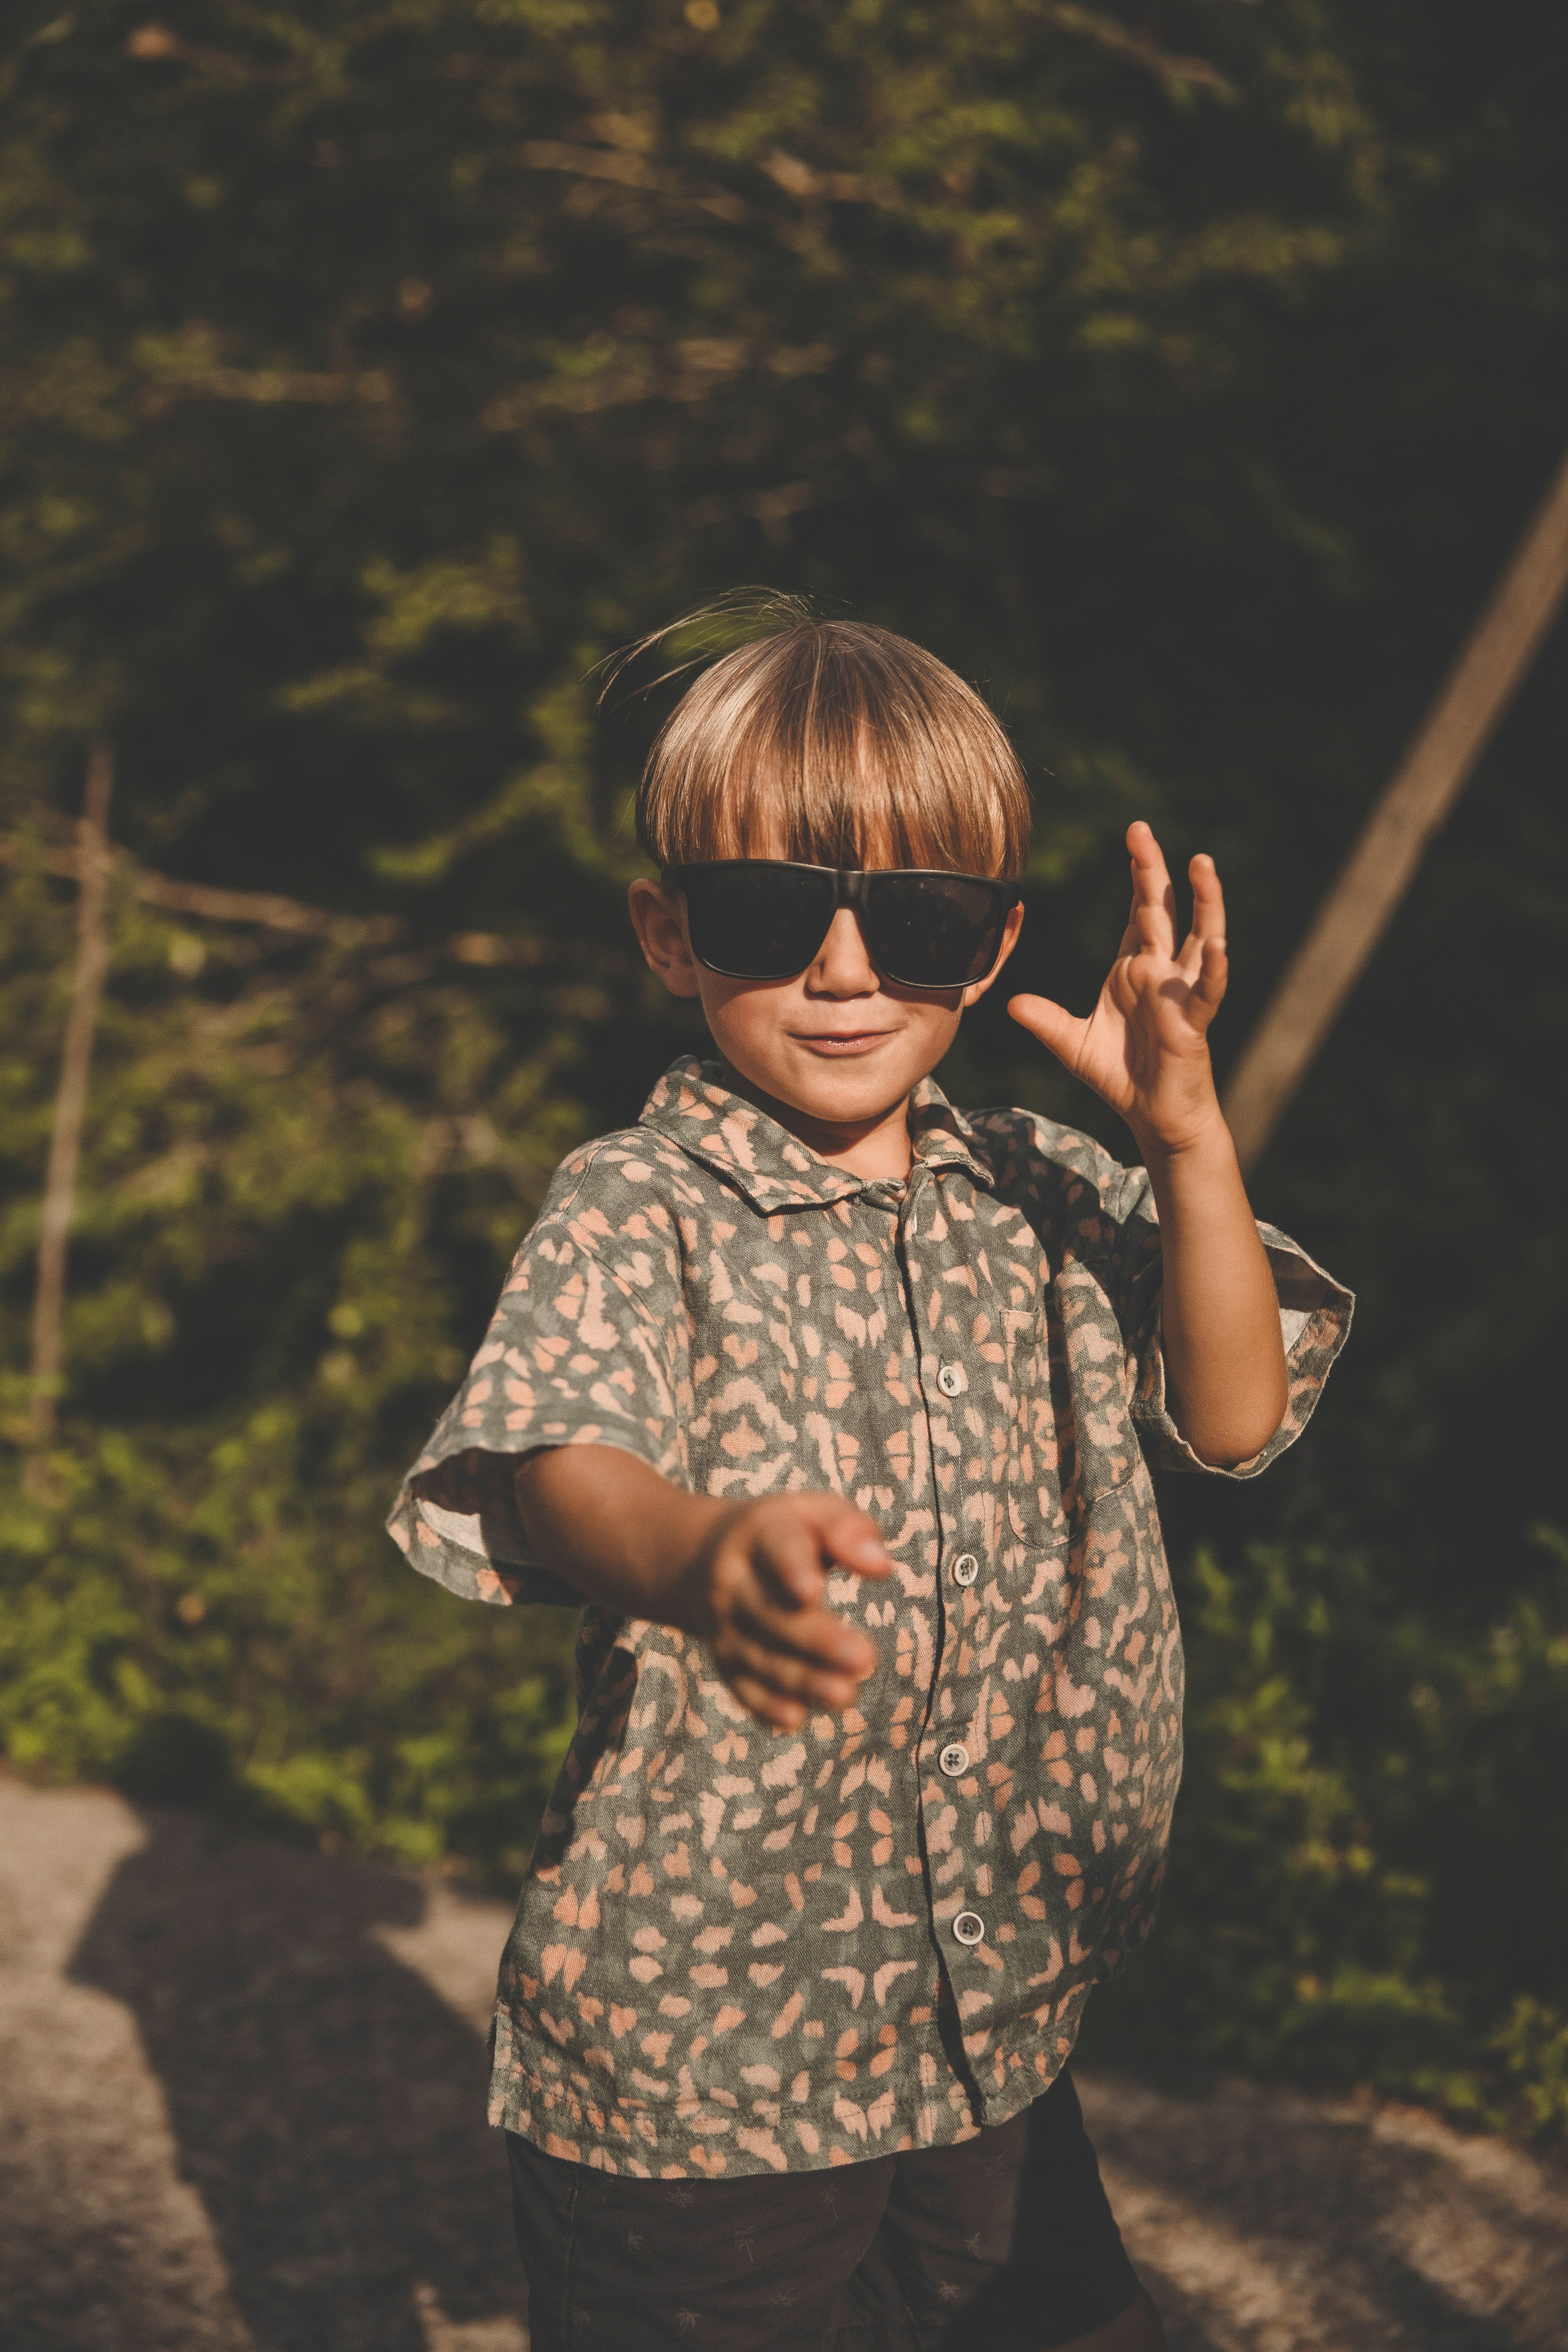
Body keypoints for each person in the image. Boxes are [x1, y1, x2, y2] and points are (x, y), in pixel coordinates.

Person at [388, 608, 1351, 2351]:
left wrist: (1185, 1137)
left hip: (987, 2022)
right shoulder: (637, 1203)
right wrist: (698, 1554)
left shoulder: (1043, 1188)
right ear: (669, 933)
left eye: (914, 923)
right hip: (705, 2071)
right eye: (771, 914)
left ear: (991, 949)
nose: (844, 972)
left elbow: (1233, 1414)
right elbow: (556, 1466)